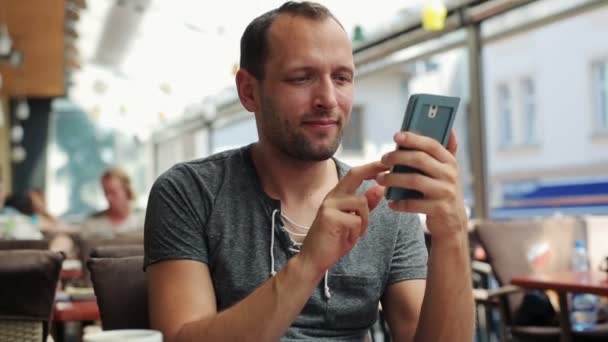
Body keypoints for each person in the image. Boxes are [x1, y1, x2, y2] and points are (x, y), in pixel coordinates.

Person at [144, 2, 474, 341]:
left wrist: (451, 233)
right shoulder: (189, 191)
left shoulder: (385, 204)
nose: (328, 99)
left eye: (342, 78)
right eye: (302, 78)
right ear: (248, 91)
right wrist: (308, 263)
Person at [80, 167, 144, 239]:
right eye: (106, 193)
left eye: (113, 192)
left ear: (127, 190)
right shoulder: (92, 224)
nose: (108, 198)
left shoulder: (144, 220)